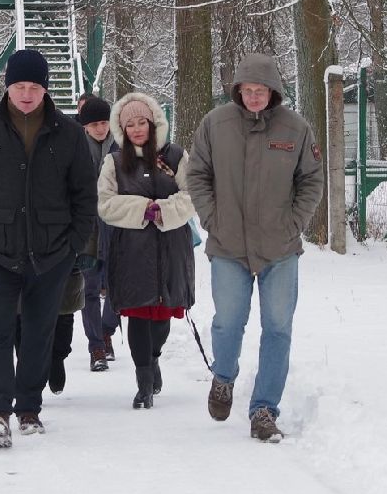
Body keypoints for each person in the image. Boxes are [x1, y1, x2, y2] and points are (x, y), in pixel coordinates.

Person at [0, 49, 96, 447]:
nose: (26, 94)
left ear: (45, 90)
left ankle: (29, 406)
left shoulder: (68, 134)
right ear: (8, 88)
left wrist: (72, 245)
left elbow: (85, 195)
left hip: (51, 253)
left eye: (34, 87)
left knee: (38, 331)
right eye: (19, 86)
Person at [184, 52, 323, 443]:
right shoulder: (215, 124)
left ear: (274, 92)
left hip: (279, 246)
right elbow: (197, 174)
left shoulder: (295, 128)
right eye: (248, 91)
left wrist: (294, 222)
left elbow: (312, 180)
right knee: (228, 322)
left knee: (278, 328)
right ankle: (223, 377)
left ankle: (264, 409)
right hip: (228, 244)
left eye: (262, 91)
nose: (255, 98)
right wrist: (212, 219)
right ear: (238, 91)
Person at [96, 93, 196, 409]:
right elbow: (106, 204)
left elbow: (192, 196)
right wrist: (142, 209)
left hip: (170, 248)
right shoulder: (113, 162)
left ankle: (154, 359)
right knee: (139, 313)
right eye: (130, 125)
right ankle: (143, 382)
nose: (137, 129)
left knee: (162, 316)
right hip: (131, 251)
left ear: (153, 124)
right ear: (121, 129)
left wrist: (164, 211)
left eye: (142, 122)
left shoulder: (177, 156)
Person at [75, 96, 120, 371]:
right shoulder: (77, 148)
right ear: (85, 126)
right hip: (87, 227)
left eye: (104, 123)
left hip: (116, 225)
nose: (100, 128)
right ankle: (96, 346)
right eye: (94, 124)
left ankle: (107, 329)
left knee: (117, 286)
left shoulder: (121, 147)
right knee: (89, 288)